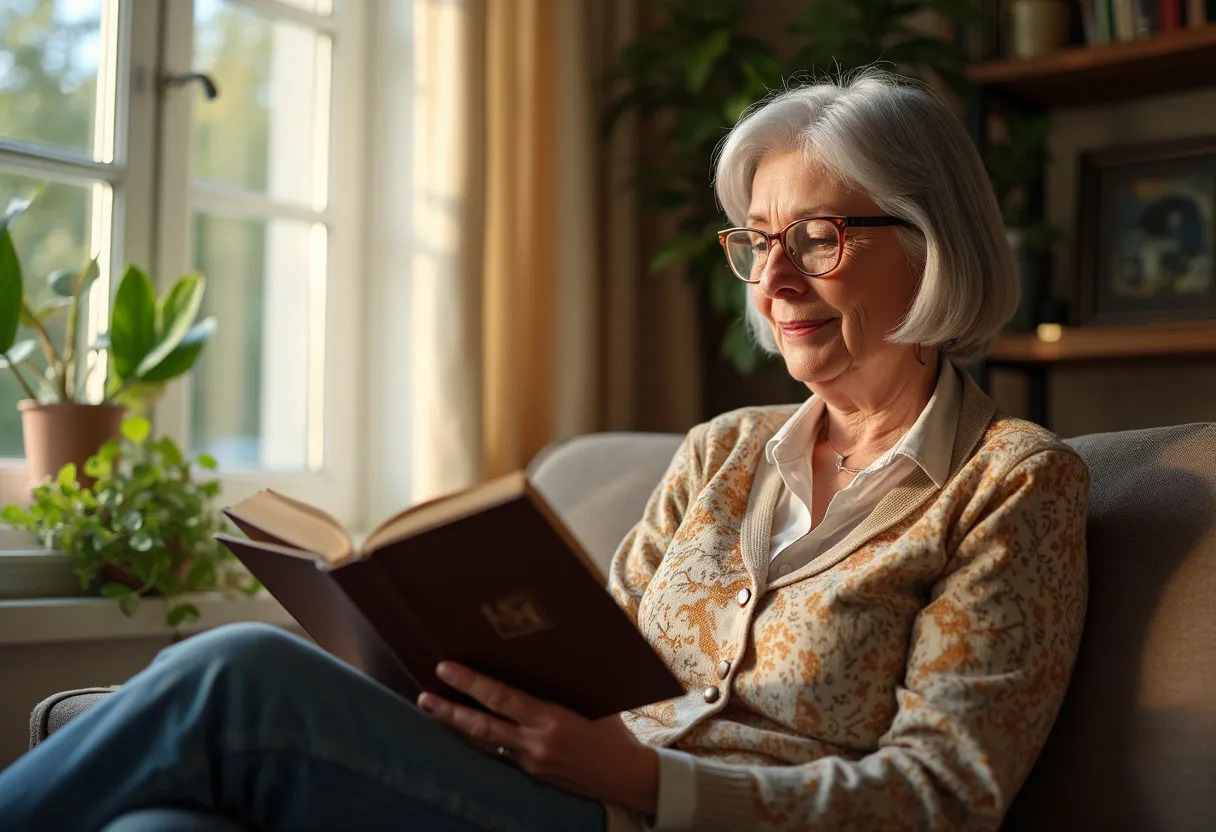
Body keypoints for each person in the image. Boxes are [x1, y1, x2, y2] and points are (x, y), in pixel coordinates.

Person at [0, 69, 1088, 832]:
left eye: (818, 236)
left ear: (932, 238)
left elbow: (948, 794)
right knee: (156, 819)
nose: (773, 281)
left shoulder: (1012, 482)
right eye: (756, 242)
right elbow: (590, 661)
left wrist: (652, 783)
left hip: (641, 821)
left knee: (232, 670)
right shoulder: (722, 453)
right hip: (545, 791)